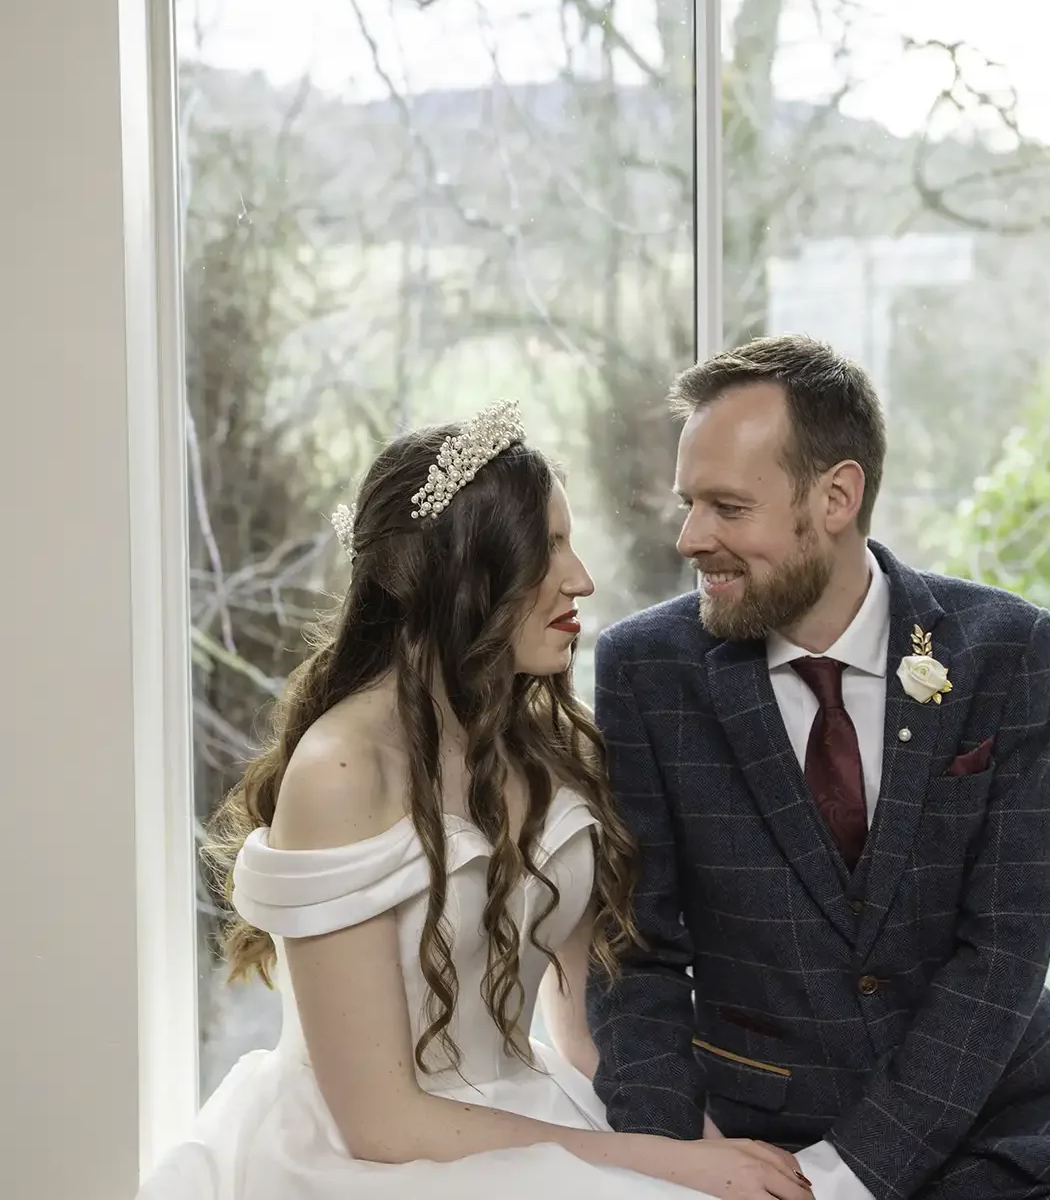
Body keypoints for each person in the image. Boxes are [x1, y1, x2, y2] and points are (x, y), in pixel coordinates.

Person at [137, 401, 812, 1200]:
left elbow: (588, 1029)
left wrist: (711, 1152)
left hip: (531, 1110)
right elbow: (382, 1122)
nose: (582, 578)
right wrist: (664, 1165)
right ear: (462, 573)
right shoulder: (342, 770)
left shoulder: (554, 752)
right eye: (549, 546)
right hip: (368, 1158)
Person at [587, 337, 1050, 1200]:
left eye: (728, 506)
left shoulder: (1002, 649)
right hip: (755, 1140)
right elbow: (635, 952)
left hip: (996, 1128)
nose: (693, 537)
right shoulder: (647, 669)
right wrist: (679, 1160)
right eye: (690, 503)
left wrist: (845, 1177)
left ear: (837, 494)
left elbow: (1005, 946)